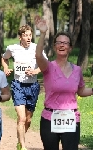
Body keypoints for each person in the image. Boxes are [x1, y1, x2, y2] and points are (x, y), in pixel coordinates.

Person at [35, 15, 93, 150]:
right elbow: (38, 55)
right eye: (59, 42)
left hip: (71, 118)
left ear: (70, 48)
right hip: (50, 118)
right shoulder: (48, 67)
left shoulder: (77, 70)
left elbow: (81, 91)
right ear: (55, 47)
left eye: (65, 43)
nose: (62, 45)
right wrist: (43, 33)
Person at [2, 24, 48, 150]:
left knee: (28, 120)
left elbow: (45, 64)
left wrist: (36, 71)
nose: (28, 38)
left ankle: (19, 140)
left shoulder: (36, 48)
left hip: (33, 86)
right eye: (25, 35)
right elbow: (4, 58)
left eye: (30, 35)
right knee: (21, 118)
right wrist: (6, 68)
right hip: (18, 86)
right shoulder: (12, 48)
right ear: (20, 37)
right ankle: (22, 146)